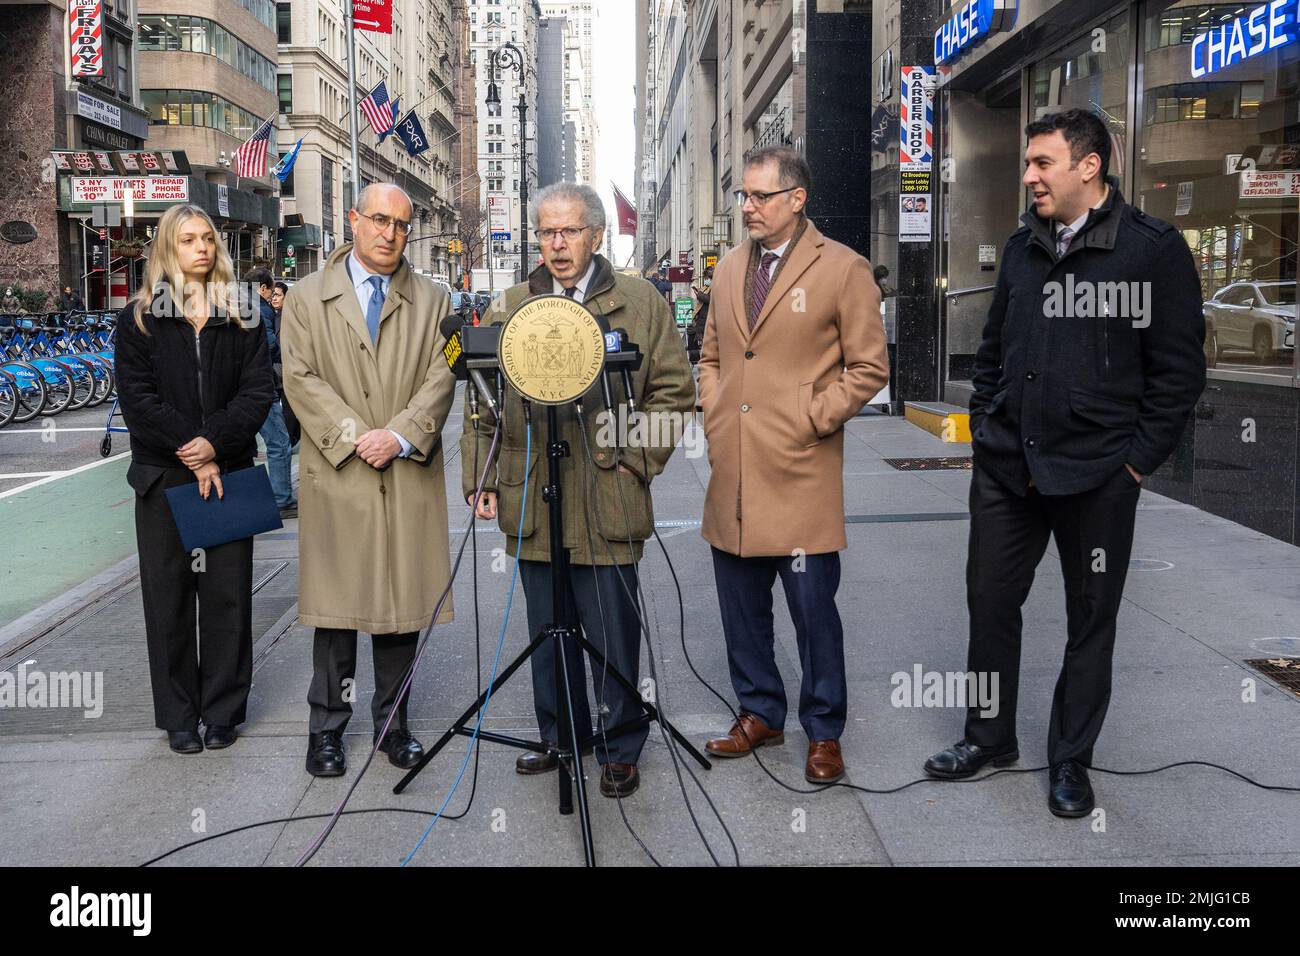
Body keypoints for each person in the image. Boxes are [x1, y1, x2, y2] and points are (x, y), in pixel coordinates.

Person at [923, 109, 1206, 817]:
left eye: (1042, 163)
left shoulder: (1152, 251)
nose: (1029, 176)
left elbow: (1178, 375)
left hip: (1099, 476)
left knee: (1091, 619)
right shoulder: (1024, 246)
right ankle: (988, 737)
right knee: (989, 604)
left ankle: (1071, 760)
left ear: (1090, 166)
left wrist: (1134, 465)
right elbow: (993, 350)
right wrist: (986, 424)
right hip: (1007, 469)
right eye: (1026, 162)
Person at [462, 182, 694, 798]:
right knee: (548, 624)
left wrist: (636, 461)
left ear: (595, 235)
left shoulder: (641, 301)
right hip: (534, 493)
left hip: (609, 493)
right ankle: (561, 736)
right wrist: (481, 480)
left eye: (568, 232)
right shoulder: (510, 305)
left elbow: (674, 394)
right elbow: (480, 404)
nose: (556, 245)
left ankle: (620, 745)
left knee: (612, 627)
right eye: (546, 232)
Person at [699, 146, 888, 784]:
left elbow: (869, 368)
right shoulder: (727, 270)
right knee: (741, 609)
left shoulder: (842, 268)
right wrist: (715, 409)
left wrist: (812, 417)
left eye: (759, 197)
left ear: (797, 199)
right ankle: (760, 713)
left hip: (801, 471)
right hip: (735, 472)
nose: (747, 208)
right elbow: (712, 355)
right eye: (743, 197)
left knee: (813, 614)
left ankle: (824, 731)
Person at [282, 183, 458, 778]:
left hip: (404, 469)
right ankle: (326, 731)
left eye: (402, 225)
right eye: (379, 220)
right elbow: (300, 378)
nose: (390, 234)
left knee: (400, 606)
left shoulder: (435, 300)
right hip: (340, 472)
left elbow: (443, 374)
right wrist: (358, 434)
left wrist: (401, 435)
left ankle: (393, 725)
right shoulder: (305, 298)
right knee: (336, 612)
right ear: (353, 220)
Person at [113, 203, 275, 754]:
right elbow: (139, 402)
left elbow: (258, 392)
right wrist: (194, 451)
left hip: (228, 474)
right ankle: (179, 715)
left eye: (208, 238)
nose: (201, 248)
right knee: (169, 600)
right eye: (188, 240)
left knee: (228, 597)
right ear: (168, 248)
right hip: (165, 479)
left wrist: (216, 444)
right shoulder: (139, 318)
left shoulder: (242, 313)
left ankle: (223, 711)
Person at [245, 268, 296, 519]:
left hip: (241, 390)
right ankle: (282, 498)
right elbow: (269, 346)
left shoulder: (234, 305)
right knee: (279, 442)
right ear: (263, 288)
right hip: (261, 387)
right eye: (270, 290)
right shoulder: (261, 310)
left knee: (243, 445)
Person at [270, 281, 300, 448]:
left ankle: (290, 440)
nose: (274, 298)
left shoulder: (289, 317)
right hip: (279, 371)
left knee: (290, 408)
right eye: (272, 294)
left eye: (278, 295)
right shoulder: (273, 316)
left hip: (287, 370)